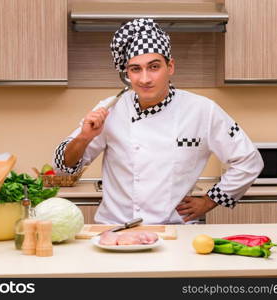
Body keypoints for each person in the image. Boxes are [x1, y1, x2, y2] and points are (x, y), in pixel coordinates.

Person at [53, 18, 264, 224]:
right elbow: (62, 167)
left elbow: (249, 160)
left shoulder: (202, 110)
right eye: (136, 69)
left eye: (154, 67)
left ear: (170, 66)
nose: (145, 79)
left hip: (174, 231)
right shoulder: (110, 109)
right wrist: (84, 137)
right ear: (127, 73)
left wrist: (209, 201)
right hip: (115, 228)